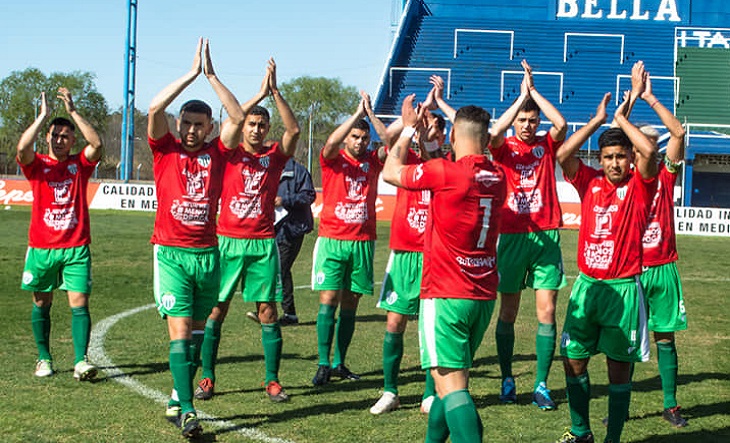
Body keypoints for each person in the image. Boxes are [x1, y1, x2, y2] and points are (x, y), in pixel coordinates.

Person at [383, 95, 505, 442]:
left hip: (447, 292)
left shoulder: (446, 172)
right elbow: (463, 169)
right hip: (482, 294)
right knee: (446, 385)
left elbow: (391, 171)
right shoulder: (498, 176)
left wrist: (408, 130)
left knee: (452, 388)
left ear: (453, 134)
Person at [147, 39, 245, 438]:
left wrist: (212, 77)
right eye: (185, 123)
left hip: (208, 254)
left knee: (197, 337)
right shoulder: (164, 150)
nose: (190, 130)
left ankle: (176, 394)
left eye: (198, 125)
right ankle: (187, 411)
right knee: (181, 330)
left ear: (209, 128)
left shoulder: (220, 153)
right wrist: (190, 75)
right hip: (170, 254)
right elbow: (154, 110)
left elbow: (237, 116)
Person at [193, 58, 300, 403]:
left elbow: (294, 132)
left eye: (261, 125)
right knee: (216, 311)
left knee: (268, 311)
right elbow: (233, 118)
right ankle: (207, 378)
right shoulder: (228, 154)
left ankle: (272, 381)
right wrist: (256, 95)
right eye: (251, 123)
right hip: (227, 242)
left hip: (262, 244)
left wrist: (276, 93)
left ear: (267, 129)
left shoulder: (274, 157)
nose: (255, 129)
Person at [554, 89, 658, 443]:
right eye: (608, 157)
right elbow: (562, 153)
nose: (615, 163)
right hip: (587, 287)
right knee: (573, 360)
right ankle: (581, 432)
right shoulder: (589, 182)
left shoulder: (641, 187)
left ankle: (612, 438)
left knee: (618, 371)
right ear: (600, 158)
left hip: (623, 291)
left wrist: (622, 119)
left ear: (630, 158)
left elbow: (650, 151)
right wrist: (598, 121)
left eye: (620, 157)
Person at [488, 60, 568, 410]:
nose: (527, 125)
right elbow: (492, 135)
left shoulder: (545, 146)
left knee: (547, 311)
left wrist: (533, 93)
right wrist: (518, 100)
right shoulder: (503, 148)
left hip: (546, 236)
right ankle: (508, 378)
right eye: (522, 119)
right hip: (512, 235)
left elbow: (562, 124)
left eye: (532, 120)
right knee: (508, 311)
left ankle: (541, 384)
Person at [618, 61, 689, 427]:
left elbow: (678, 132)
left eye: (654, 145)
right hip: (630, 269)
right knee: (627, 343)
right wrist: (629, 99)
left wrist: (647, 96)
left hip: (662, 266)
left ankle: (670, 403)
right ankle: (622, 408)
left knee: (665, 338)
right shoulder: (624, 177)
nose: (653, 148)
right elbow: (616, 128)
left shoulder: (666, 174)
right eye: (645, 143)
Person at [17, 87, 103, 382]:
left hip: (76, 247)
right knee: (41, 303)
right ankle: (44, 357)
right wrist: (42, 116)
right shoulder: (37, 165)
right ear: (48, 138)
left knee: (79, 302)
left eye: (65, 136)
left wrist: (73, 111)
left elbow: (97, 144)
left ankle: (81, 360)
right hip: (41, 246)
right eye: (55, 135)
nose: (60, 140)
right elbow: (21, 150)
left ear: (72, 140)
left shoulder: (79, 165)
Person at [369, 89, 446, 415]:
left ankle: (431, 393)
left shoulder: (448, 165)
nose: (429, 130)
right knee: (395, 322)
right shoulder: (404, 159)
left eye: (436, 128)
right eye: (426, 127)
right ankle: (390, 391)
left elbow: (434, 159)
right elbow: (389, 144)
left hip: (435, 256)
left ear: (444, 135)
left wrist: (425, 132)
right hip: (403, 252)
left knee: (431, 327)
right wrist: (410, 124)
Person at [310, 91, 387, 386]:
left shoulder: (373, 161)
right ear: (347, 138)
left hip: (363, 241)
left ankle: (340, 362)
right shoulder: (332, 160)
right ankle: (322, 363)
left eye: (363, 137)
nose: (359, 141)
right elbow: (330, 143)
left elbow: (391, 144)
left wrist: (371, 115)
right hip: (332, 239)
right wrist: (356, 114)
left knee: (351, 303)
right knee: (328, 299)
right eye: (354, 136)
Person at [275, 157, 316, 326]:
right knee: (279, 269)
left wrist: (285, 200)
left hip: (293, 229)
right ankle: (287, 313)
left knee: (280, 269)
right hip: (274, 229)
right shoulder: (270, 168)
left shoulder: (299, 171)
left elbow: (309, 196)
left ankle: (285, 313)